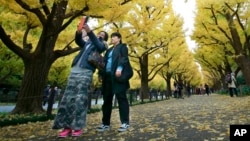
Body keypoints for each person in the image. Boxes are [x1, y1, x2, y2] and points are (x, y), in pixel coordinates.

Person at [52, 21, 108, 138]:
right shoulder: (87, 43)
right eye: (100, 33)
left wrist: (90, 32)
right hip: (74, 71)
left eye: (103, 35)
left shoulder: (102, 45)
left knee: (80, 100)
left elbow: (99, 45)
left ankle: (77, 127)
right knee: (67, 100)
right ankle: (66, 127)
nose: (100, 35)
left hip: (86, 72)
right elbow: (78, 41)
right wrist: (78, 32)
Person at [97, 32, 131, 132]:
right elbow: (103, 62)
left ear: (119, 39)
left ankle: (125, 123)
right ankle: (105, 123)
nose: (112, 39)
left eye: (114, 37)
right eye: (111, 37)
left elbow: (124, 58)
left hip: (117, 77)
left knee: (121, 99)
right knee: (107, 100)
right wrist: (100, 73)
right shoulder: (109, 50)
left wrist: (119, 68)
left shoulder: (122, 47)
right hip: (107, 77)